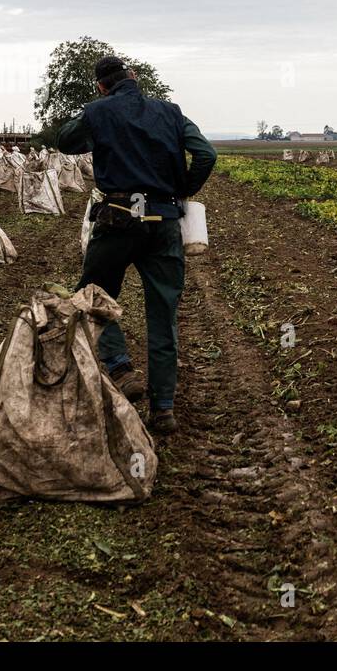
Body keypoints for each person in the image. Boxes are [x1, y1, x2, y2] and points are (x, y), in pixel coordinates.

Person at [57, 55, 217, 434]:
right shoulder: (172, 112)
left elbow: (66, 142)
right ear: (133, 77)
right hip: (162, 221)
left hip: (118, 218)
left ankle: (121, 367)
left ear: (101, 85)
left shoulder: (98, 110)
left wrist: (93, 114)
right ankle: (163, 408)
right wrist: (183, 190)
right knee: (163, 314)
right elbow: (206, 154)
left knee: (93, 294)